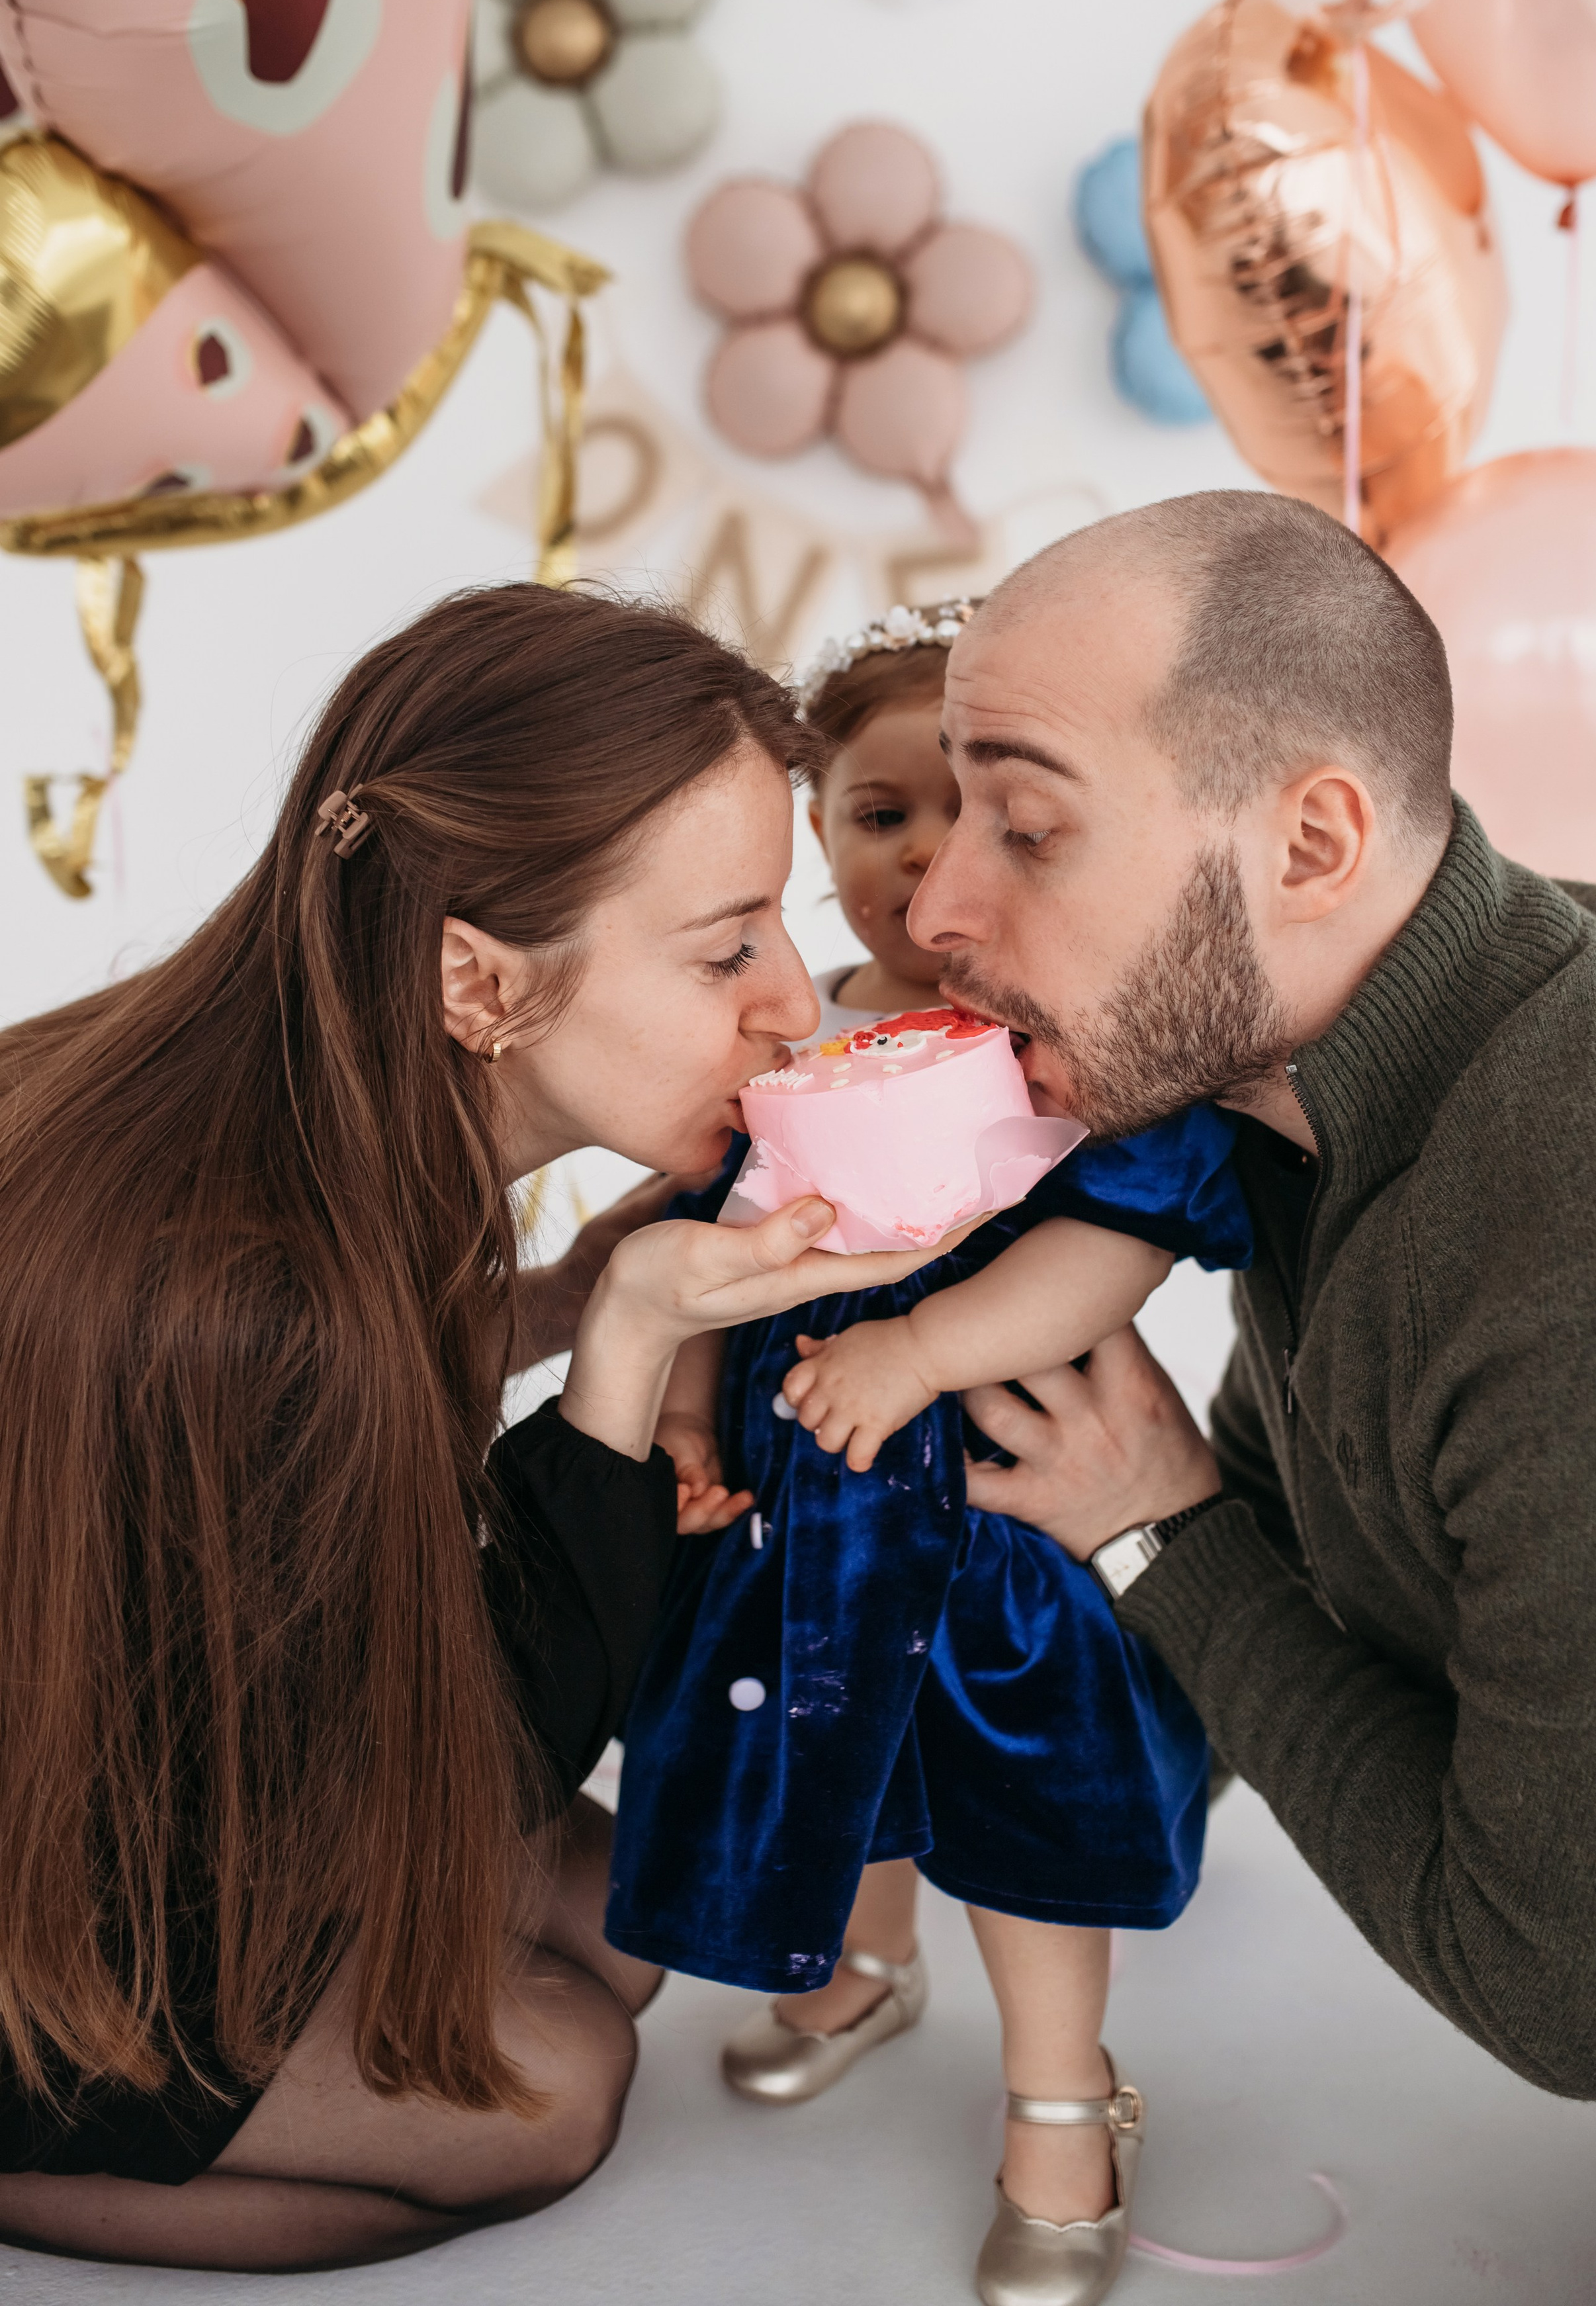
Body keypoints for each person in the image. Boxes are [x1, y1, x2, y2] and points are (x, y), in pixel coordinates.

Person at [0, 582, 936, 2275]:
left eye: (780, 926)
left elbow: (347, 1441)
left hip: (189, 1759)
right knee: (556, 2081)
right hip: (78, 1866)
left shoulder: (321, 1114)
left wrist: (569, 1297)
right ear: (474, 978)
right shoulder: (244, 1286)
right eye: (724, 946)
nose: (795, 1003)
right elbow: (442, 1756)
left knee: (623, 1929)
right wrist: (631, 1343)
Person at [902, 491, 1596, 2107]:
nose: (933, 913)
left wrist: (1152, 1533)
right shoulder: (1302, 1079)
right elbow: (1312, 1495)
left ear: (1309, 845)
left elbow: (1570, 2001)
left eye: (1029, 829)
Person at [604, 602, 1252, 2306]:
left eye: (976, 817)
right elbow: (704, 1243)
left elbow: (1113, 1240)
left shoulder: (1076, 1032)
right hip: (803, 1515)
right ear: (815, 832)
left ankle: (1059, 2092)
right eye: (876, 814)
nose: (922, 859)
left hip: (998, 1514)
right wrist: (679, 1414)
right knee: (837, 1761)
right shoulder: (784, 1036)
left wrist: (921, 1347)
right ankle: (858, 1961)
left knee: (1020, 1804)